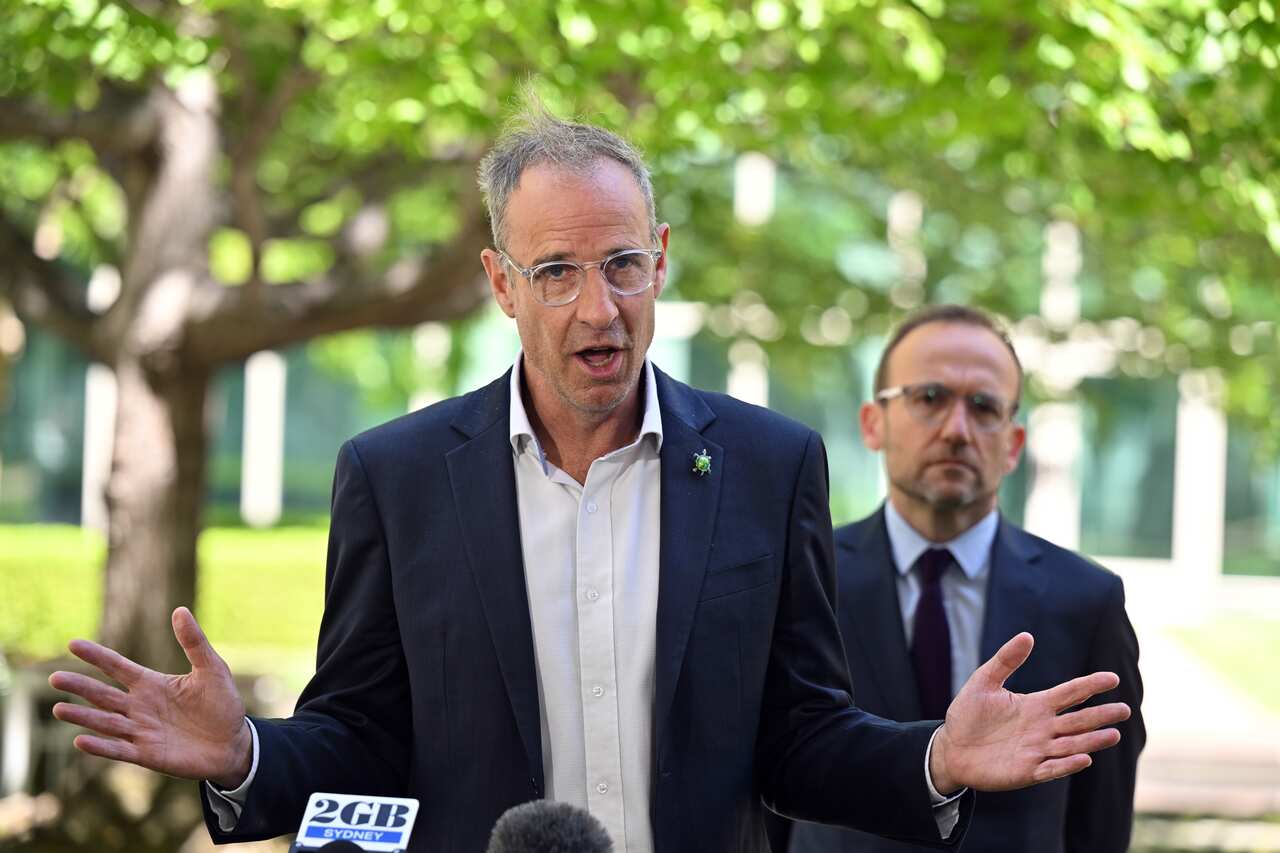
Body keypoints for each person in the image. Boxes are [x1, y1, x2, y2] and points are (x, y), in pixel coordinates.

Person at [48, 99, 1132, 853]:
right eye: (555, 273)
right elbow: (361, 738)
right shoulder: (397, 476)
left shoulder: (767, 465)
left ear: (658, 259)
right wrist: (244, 753)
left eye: (619, 265)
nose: (595, 308)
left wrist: (934, 756)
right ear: (498, 283)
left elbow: (800, 737)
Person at [773, 305, 1146, 853]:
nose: (956, 429)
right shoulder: (800, 575)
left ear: (1014, 444)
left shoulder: (1087, 599)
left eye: (983, 406)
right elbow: (768, 784)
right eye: (929, 399)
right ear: (872, 423)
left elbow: (1102, 821)